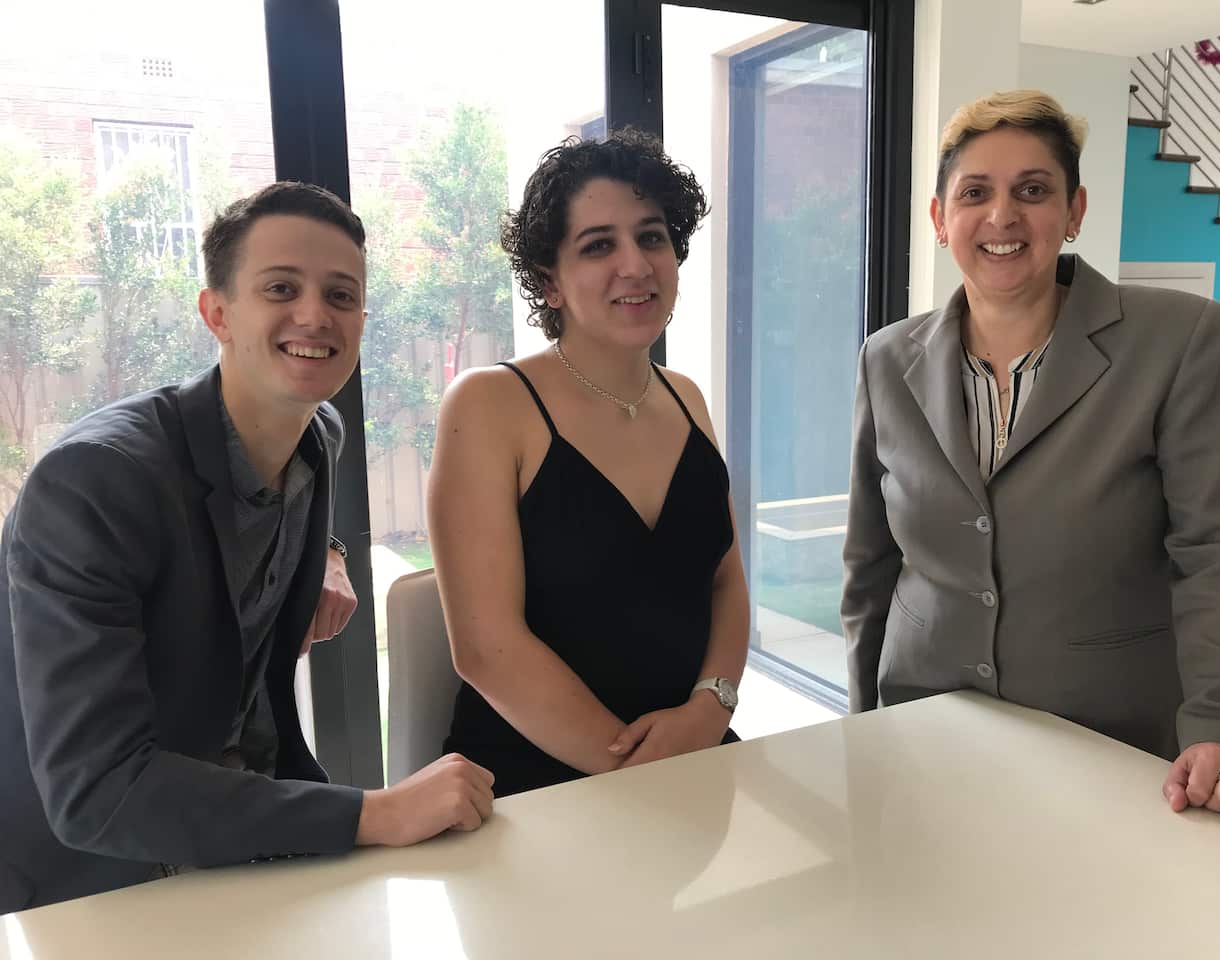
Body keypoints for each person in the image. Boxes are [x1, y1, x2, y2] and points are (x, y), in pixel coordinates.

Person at [0, 181, 494, 913]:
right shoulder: (94, 483)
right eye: (281, 287)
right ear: (217, 313)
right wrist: (375, 812)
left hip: (242, 837)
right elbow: (95, 791)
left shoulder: (317, 435)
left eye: (341, 294)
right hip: (95, 883)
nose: (314, 315)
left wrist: (327, 551)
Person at [841, 90, 1220, 818]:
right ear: (940, 219)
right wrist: (863, 724)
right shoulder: (886, 358)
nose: (1002, 216)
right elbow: (870, 563)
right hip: (926, 727)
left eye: (1034, 191)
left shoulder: (1176, 336)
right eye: (974, 193)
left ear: (1074, 212)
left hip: (1109, 743)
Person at [428, 129, 749, 798]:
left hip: (694, 758)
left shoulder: (687, 398)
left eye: (652, 236)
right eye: (599, 245)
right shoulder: (490, 404)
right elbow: (487, 648)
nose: (635, 265)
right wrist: (636, 772)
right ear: (549, 281)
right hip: (539, 786)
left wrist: (712, 706)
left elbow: (725, 582)